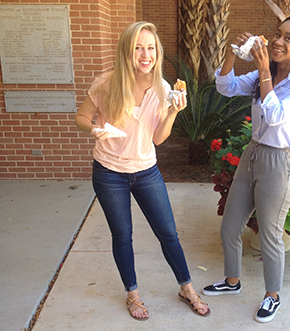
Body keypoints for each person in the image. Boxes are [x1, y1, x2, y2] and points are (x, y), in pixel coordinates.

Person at [75, 21, 210, 320]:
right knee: (122, 236)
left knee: (168, 233)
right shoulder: (106, 83)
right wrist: (96, 129)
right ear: (127, 50)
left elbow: (158, 138)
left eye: (150, 47)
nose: (145, 54)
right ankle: (133, 294)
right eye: (138, 47)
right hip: (109, 173)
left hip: (146, 171)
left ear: (157, 52)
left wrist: (173, 112)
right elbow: (82, 117)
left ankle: (186, 287)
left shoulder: (163, 88)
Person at [202, 15, 290, 323]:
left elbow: (276, 116)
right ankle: (232, 281)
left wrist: (266, 69)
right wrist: (233, 52)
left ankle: (273, 295)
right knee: (230, 226)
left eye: (289, 38)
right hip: (251, 156)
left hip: (278, 162)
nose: (279, 42)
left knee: (269, 235)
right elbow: (225, 87)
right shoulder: (258, 75)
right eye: (278, 35)